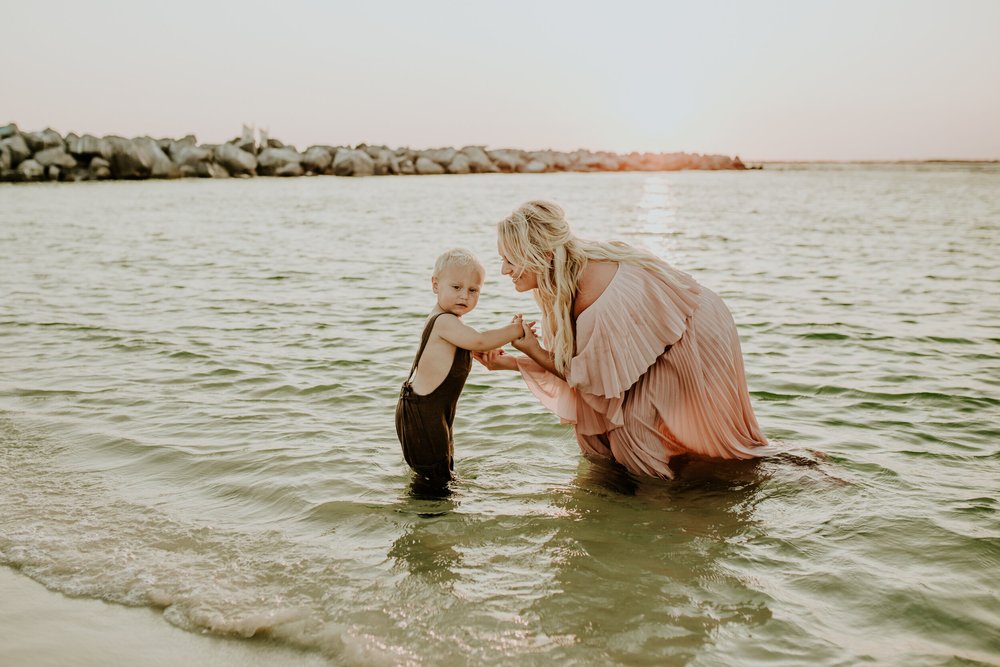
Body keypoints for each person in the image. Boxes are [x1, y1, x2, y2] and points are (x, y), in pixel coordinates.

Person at [473, 201, 771, 479]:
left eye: (510, 260)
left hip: (692, 329)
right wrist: (511, 362)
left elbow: (593, 381)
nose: (504, 270)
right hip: (673, 330)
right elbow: (580, 366)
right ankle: (652, 493)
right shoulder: (559, 279)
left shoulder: (593, 295)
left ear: (543, 256)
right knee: (607, 436)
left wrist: (533, 350)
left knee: (634, 434)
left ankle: (661, 511)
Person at [396, 248, 525, 485]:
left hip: (431, 414)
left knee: (441, 472)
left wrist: (486, 350)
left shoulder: (451, 323)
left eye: (473, 290)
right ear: (435, 285)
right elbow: (479, 339)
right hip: (423, 416)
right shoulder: (444, 321)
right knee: (435, 481)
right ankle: (428, 518)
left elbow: (473, 344)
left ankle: (431, 512)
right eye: (456, 287)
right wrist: (515, 330)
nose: (464, 296)